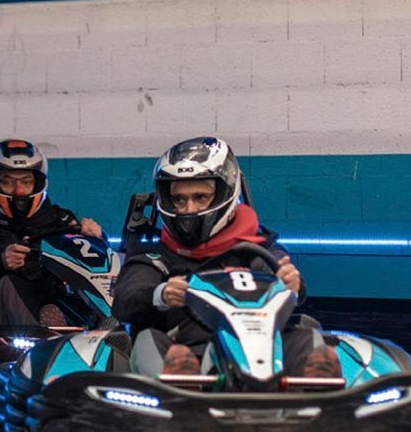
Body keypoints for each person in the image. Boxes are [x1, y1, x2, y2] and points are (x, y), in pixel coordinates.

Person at [111, 137, 342, 379]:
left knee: (307, 332)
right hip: (188, 352)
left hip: (262, 350)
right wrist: (161, 294)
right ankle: (176, 390)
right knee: (147, 338)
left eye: (201, 197)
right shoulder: (156, 255)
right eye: (180, 199)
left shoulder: (258, 246)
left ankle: (319, 393)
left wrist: (292, 283)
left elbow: (290, 280)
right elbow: (126, 298)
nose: (189, 209)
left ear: (225, 194)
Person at [0, 139, 105, 327]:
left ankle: (109, 333)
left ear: (38, 183)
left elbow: (91, 263)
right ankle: (46, 342)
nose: (19, 190)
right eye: (8, 182)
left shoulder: (60, 220)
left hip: (55, 300)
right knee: (9, 284)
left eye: (26, 182)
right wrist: (0, 262)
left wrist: (96, 237)